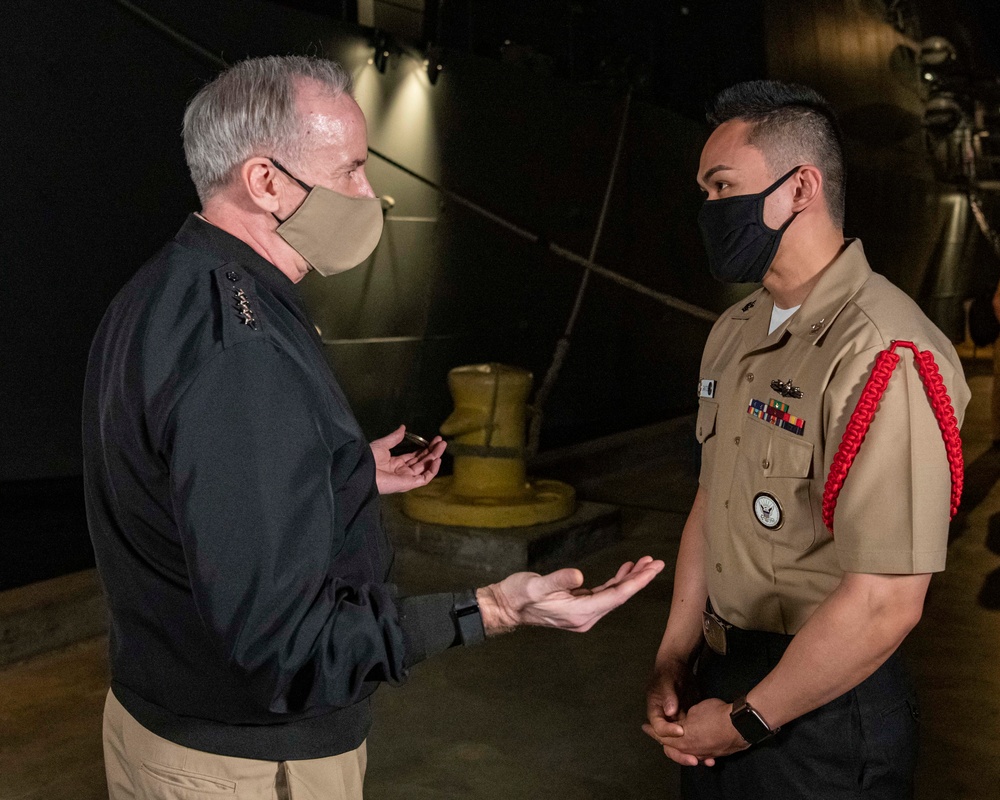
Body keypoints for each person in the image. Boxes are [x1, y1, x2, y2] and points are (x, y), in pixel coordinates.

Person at [82, 55, 664, 800]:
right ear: (265, 182)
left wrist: (339, 466)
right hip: (252, 766)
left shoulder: (165, 289)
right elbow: (286, 652)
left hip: (161, 718)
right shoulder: (244, 351)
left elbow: (188, 482)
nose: (369, 193)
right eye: (350, 170)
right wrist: (490, 608)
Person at [642, 80, 970, 798]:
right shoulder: (732, 332)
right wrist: (675, 656)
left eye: (722, 186)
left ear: (800, 189)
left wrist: (747, 722)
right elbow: (711, 502)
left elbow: (887, 600)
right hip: (720, 682)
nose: (709, 210)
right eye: (704, 191)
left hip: (821, 714)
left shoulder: (884, 351)